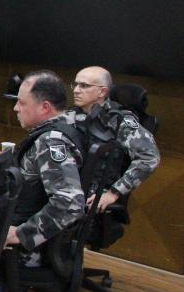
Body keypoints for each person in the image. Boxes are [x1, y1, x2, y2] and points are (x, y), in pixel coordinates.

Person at [5, 71, 86, 266]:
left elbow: (71, 202)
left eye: (22, 103)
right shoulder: (69, 125)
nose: (16, 108)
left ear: (45, 107)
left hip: (30, 249)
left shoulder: (51, 141)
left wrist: (21, 234)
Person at [68, 66, 160, 213]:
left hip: (88, 200)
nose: (76, 90)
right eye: (76, 84)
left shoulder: (119, 121)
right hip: (64, 189)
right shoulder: (71, 115)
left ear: (102, 91)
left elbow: (149, 157)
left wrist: (113, 193)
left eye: (84, 86)